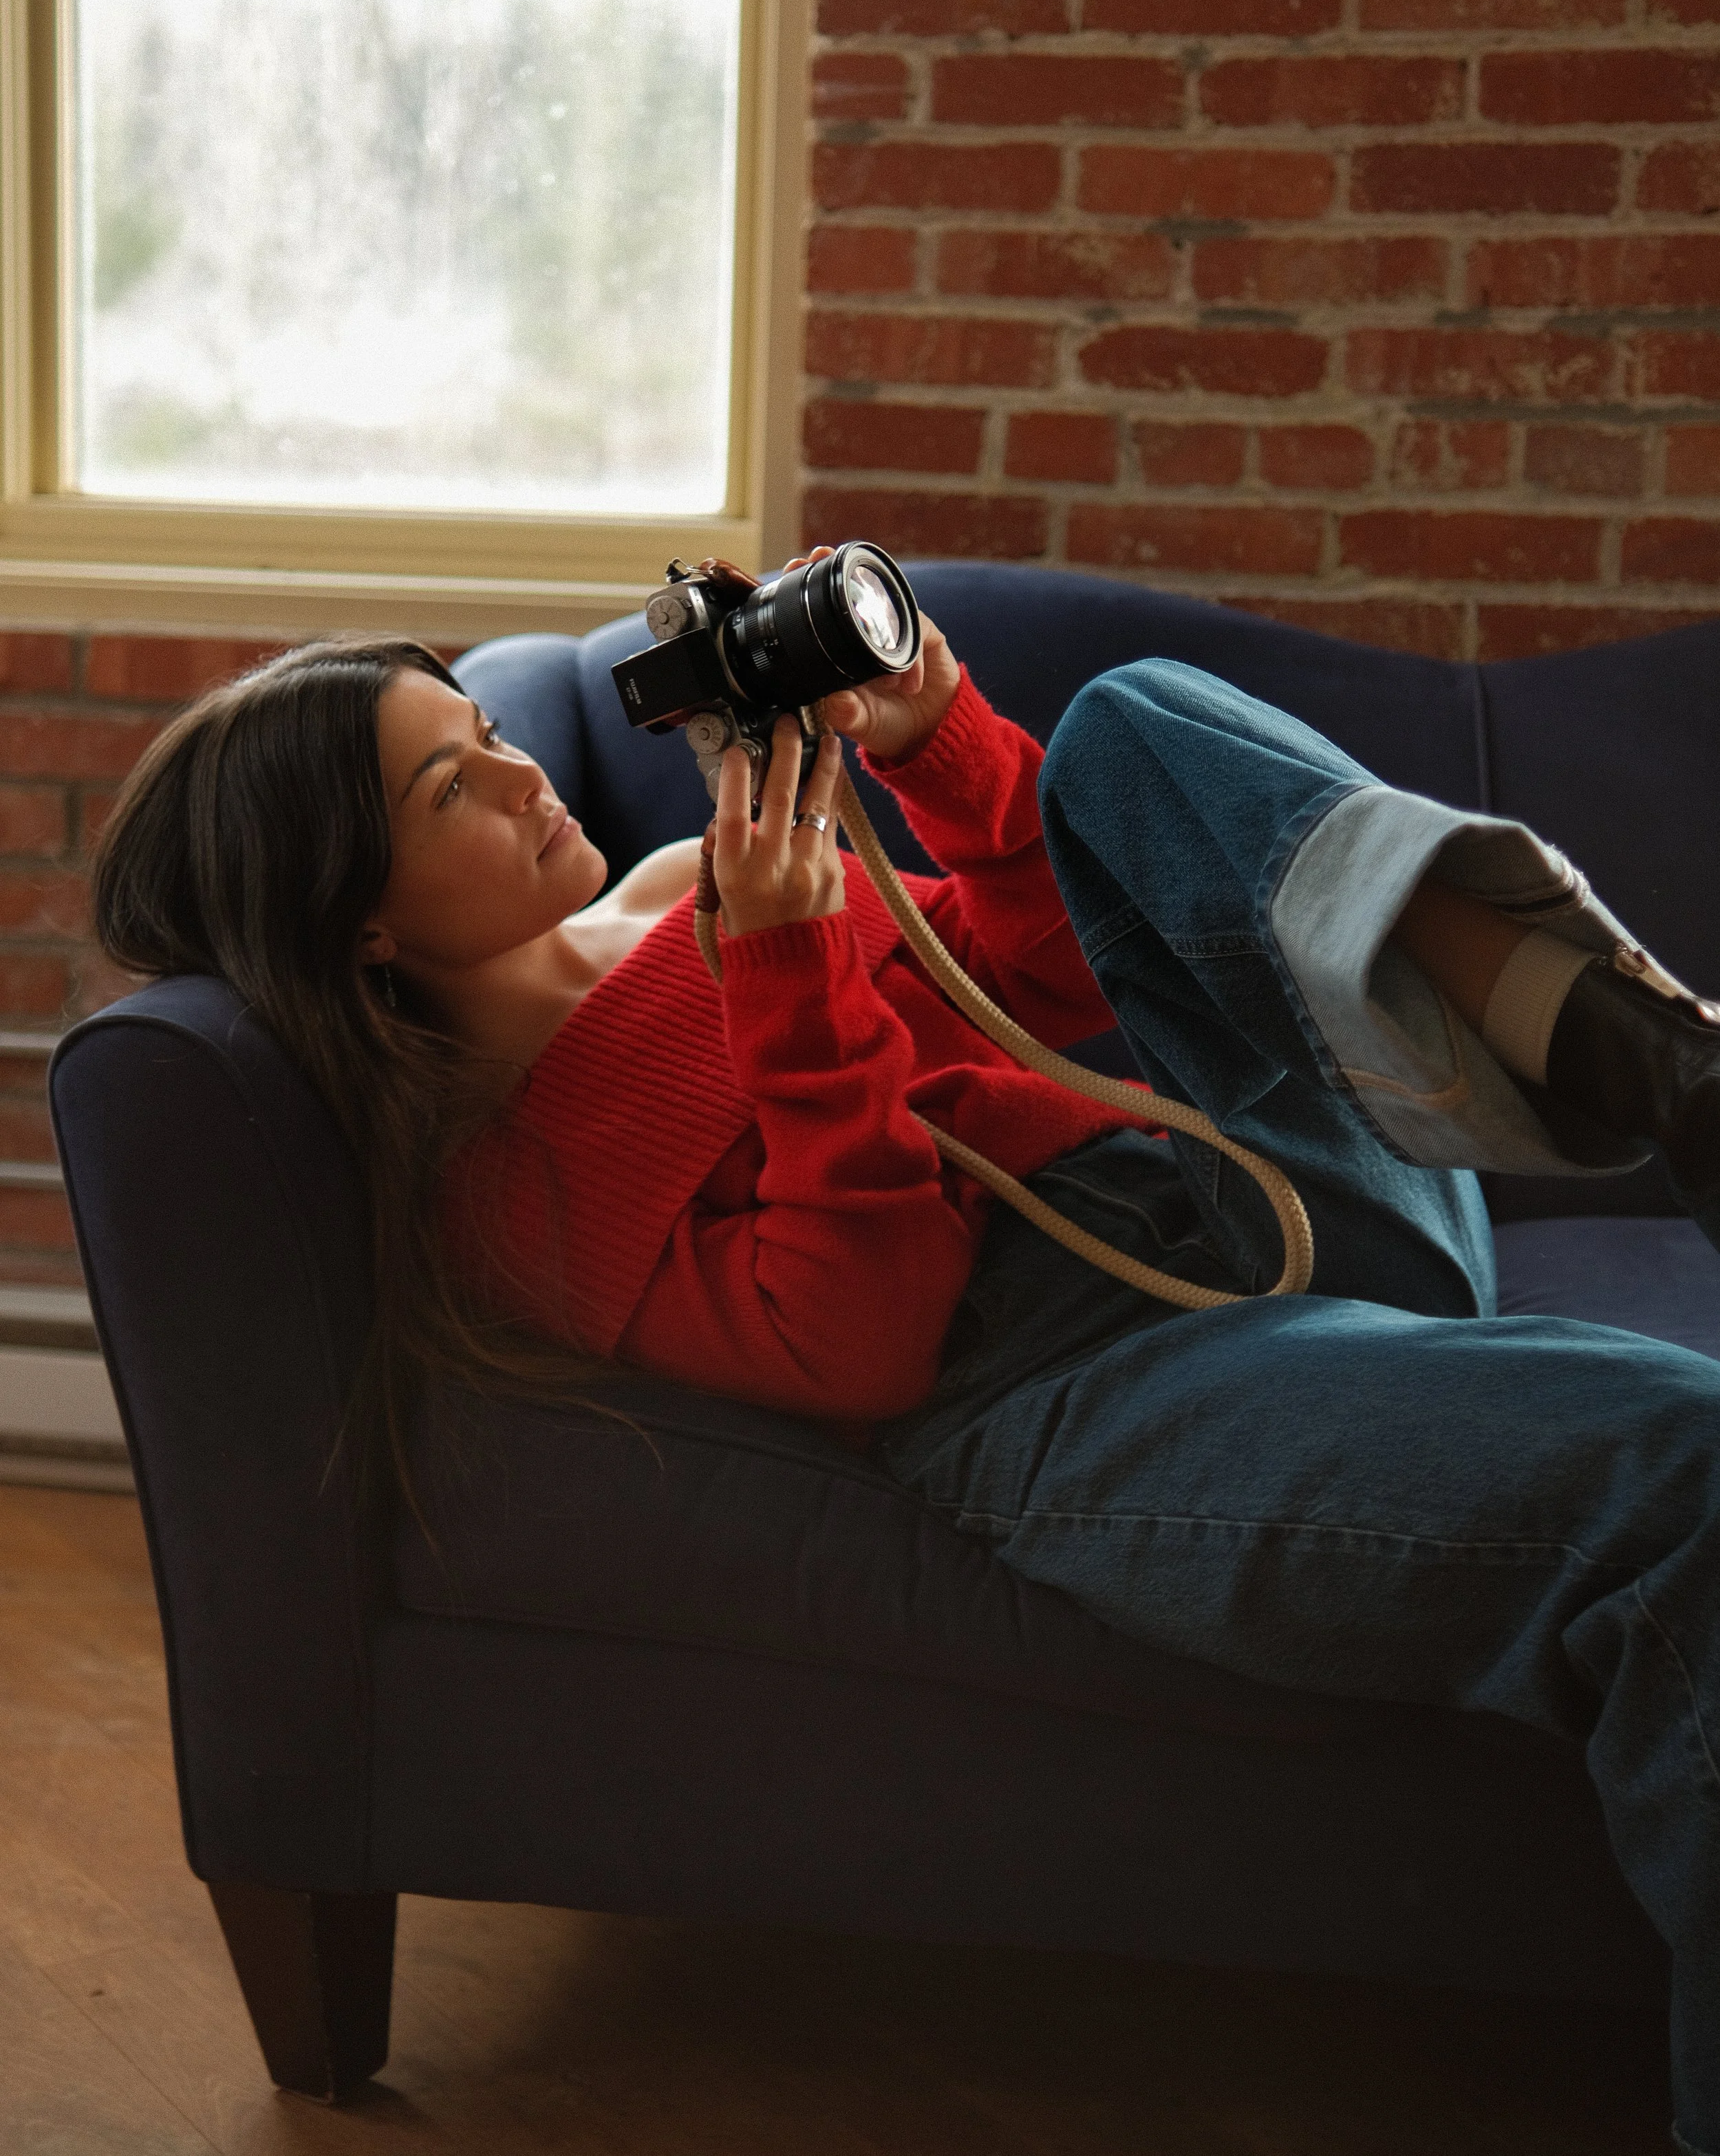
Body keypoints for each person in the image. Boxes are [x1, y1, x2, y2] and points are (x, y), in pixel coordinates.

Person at [92, 567, 1720, 2154]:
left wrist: (930, 732)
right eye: (454, 784)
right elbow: (857, 1340)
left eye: (482, 726)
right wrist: (790, 984)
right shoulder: (511, 1180)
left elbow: (1041, 976)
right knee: (1680, 1458)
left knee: (1130, 725)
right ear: (362, 923)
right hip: (1084, 1392)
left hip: (1250, 1212)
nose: (521, 769)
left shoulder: (677, 888)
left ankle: (1657, 1064)